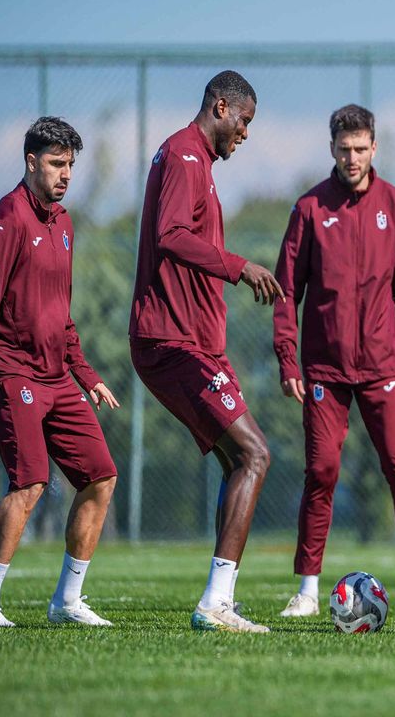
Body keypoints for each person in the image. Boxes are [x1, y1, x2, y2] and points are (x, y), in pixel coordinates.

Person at [129, 70, 283, 633]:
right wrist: (240, 267)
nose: (246, 132)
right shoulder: (184, 156)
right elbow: (170, 235)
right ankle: (215, 602)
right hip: (171, 341)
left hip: (196, 343)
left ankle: (222, 599)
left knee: (237, 461)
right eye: (244, 120)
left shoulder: (198, 163)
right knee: (255, 455)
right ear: (221, 107)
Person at [273, 104, 395, 618]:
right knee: (321, 471)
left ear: (374, 148)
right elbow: (286, 291)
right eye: (344, 149)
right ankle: (306, 591)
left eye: (360, 149)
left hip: (384, 368)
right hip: (325, 370)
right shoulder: (309, 208)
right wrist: (288, 360)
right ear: (332, 149)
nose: (352, 158)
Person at [0, 117, 120, 627]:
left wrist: (86, 374)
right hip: (14, 375)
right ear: (31, 162)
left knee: (101, 477)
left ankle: (67, 602)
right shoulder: (7, 219)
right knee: (29, 482)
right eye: (56, 163)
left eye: (71, 164)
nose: (66, 173)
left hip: (58, 378)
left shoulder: (64, 224)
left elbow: (60, 314)